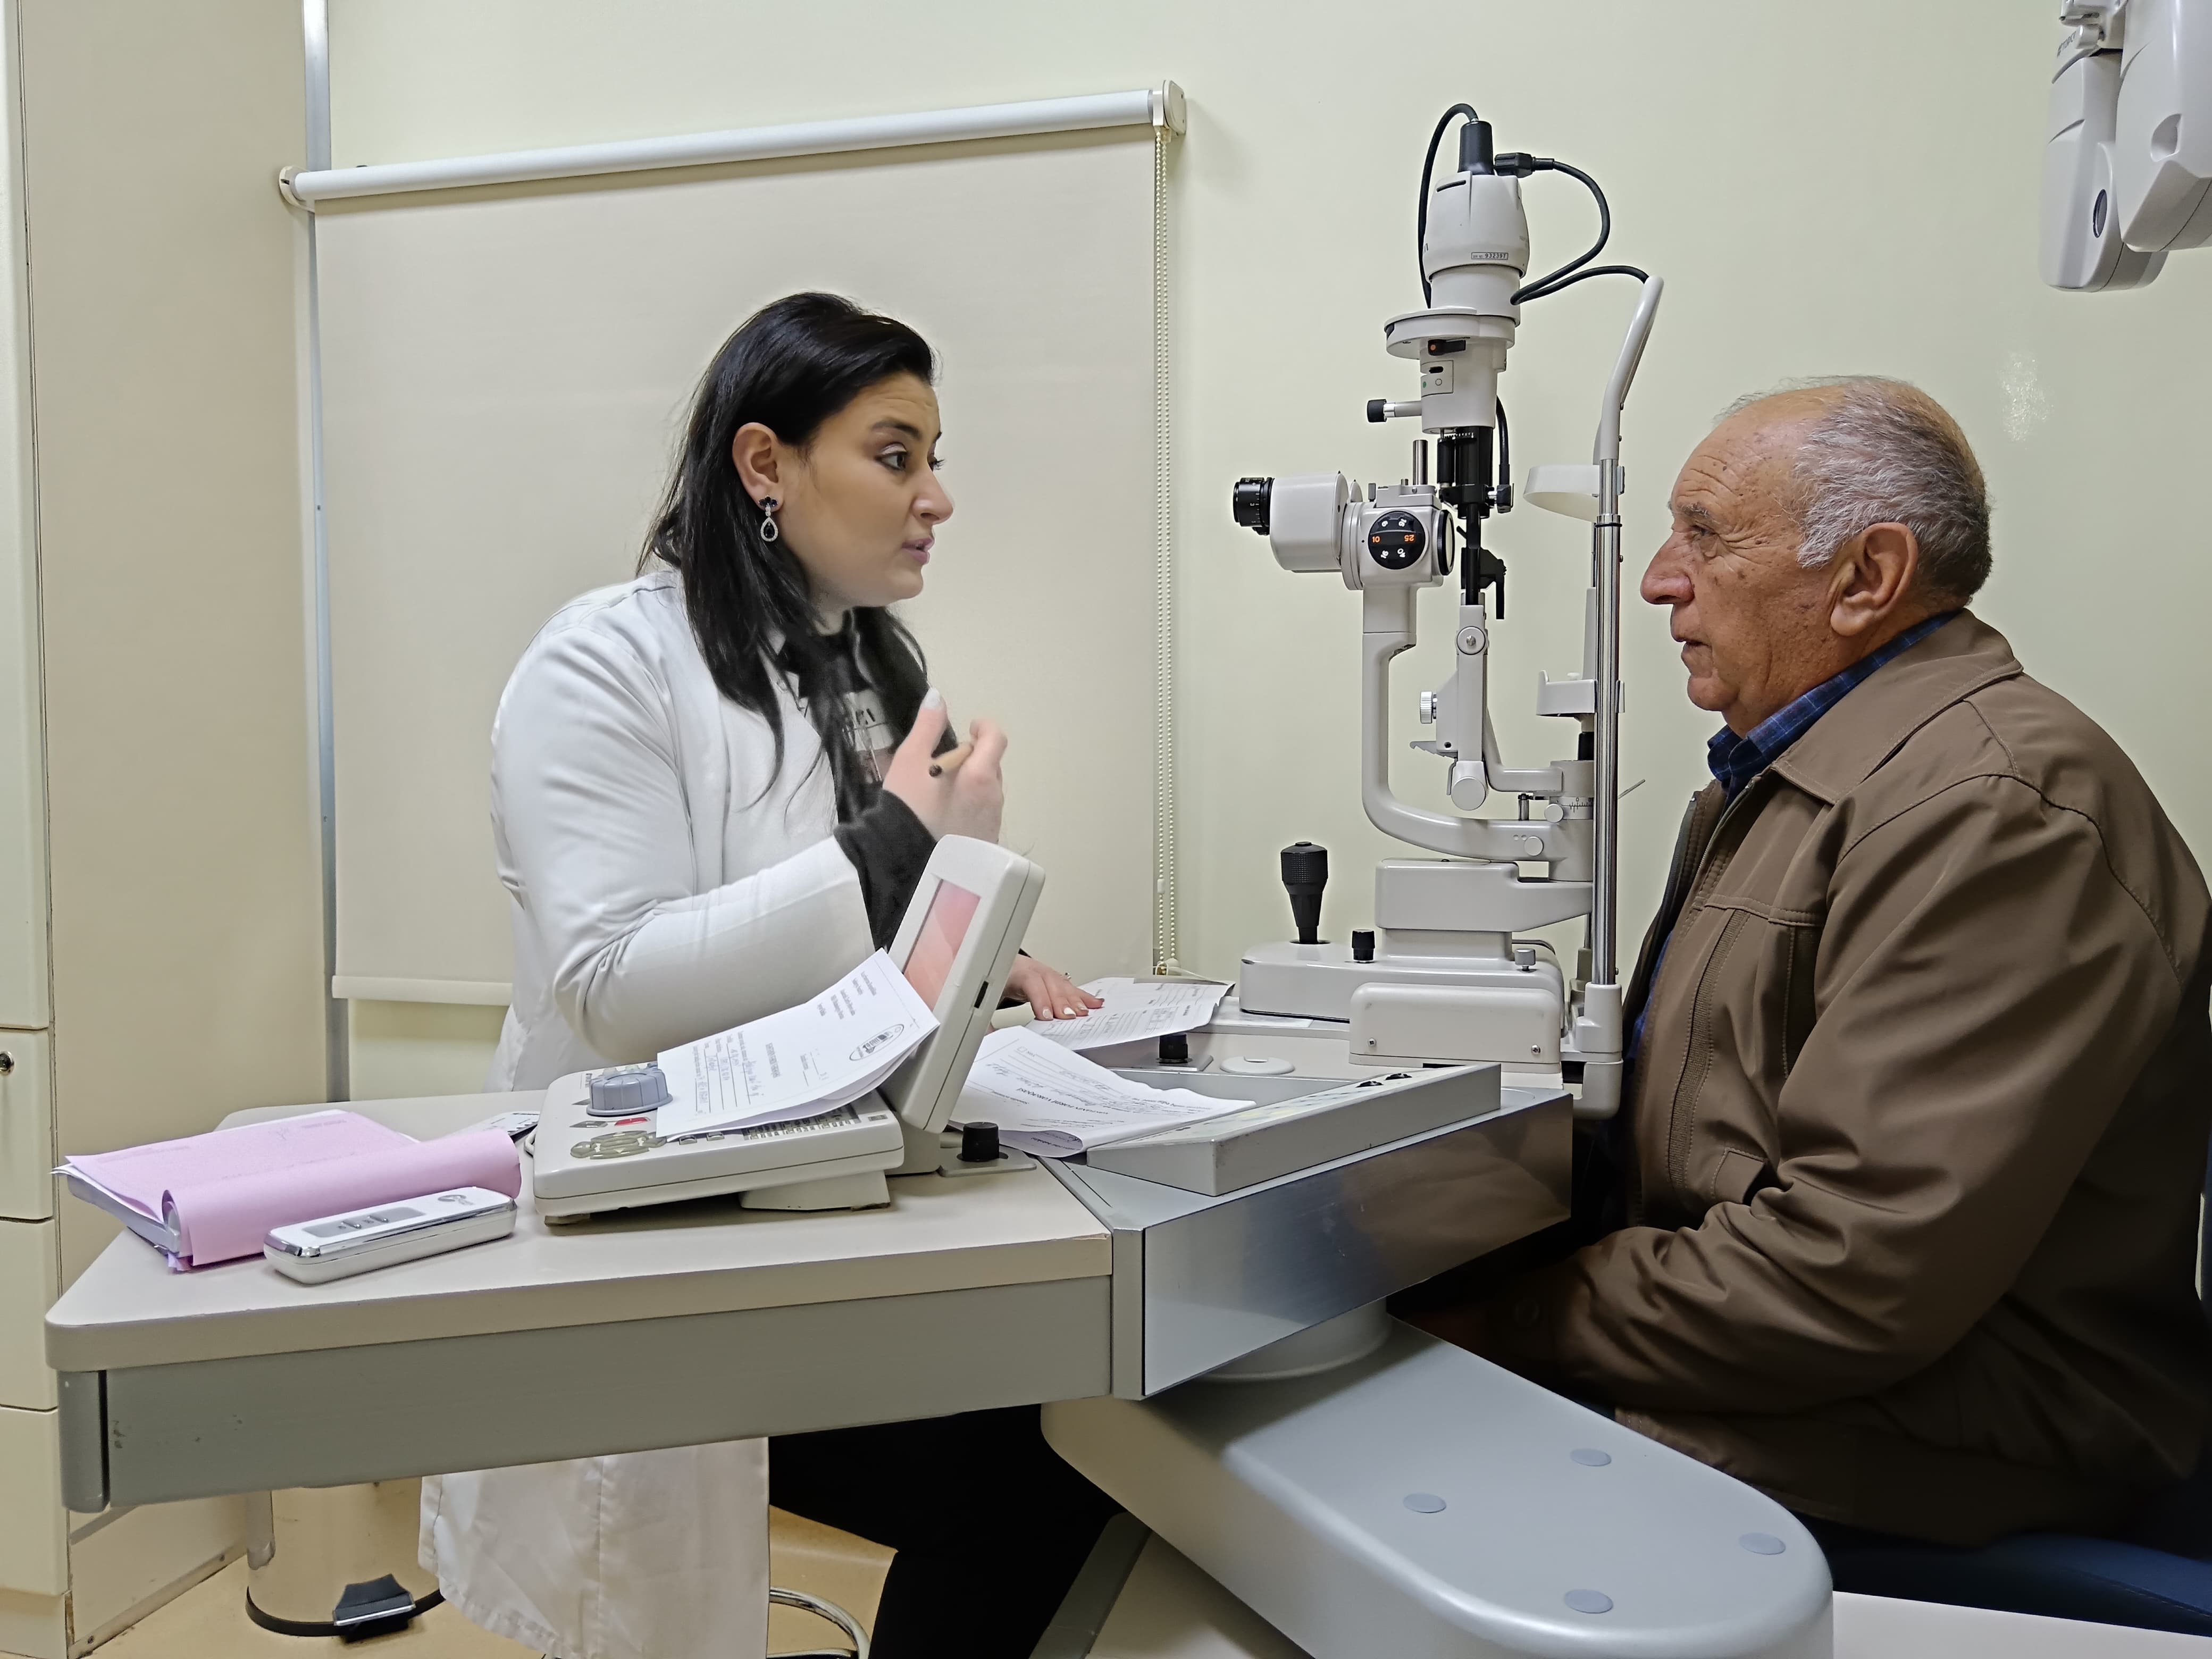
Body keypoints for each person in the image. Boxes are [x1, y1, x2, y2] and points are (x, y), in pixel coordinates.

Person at [420, 292, 1112, 1659]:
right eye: (895, 454)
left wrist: (980, 946)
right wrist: (893, 853)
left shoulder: (859, 664)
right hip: (650, 1253)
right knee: (1011, 1492)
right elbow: (614, 983)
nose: (938, 499)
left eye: (933, 457)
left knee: (1049, 1475)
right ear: (763, 466)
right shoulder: (603, 662)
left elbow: (856, 940)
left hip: (810, 1214)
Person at [1409, 377, 2212, 1552]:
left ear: (1865, 579)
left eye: (1705, 537)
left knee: (1354, 1473)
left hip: (1936, 1429)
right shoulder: (1797, 783)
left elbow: (1849, 1273)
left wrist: (1505, 1315)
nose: (1658, 582)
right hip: (1807, 1364)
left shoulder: (1994, 810)